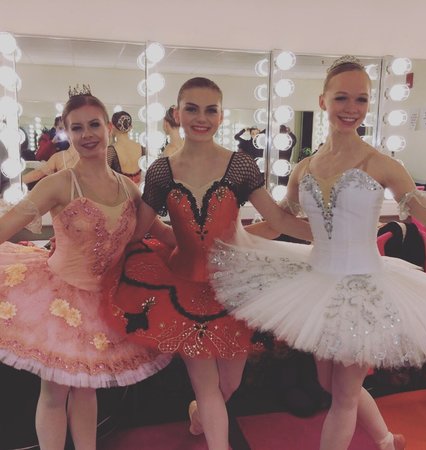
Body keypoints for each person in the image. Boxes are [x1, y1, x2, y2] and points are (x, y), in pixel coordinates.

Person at [209, 56, 426, 450]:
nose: (351, 108)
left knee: (343, 396)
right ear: (323, 101)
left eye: (361, 99)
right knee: (330, 384)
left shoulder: (383, 165)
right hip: (317, 281)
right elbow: (278, 221)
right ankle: (387, 440)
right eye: (341, 98)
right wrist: (226, 240)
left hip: (365, 287)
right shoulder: (304, 168)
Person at [103, 77, 313, 450]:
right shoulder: (161, 171)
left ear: (221, 116)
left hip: (233, 286)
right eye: (192, 109)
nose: (201, 118)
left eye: (210, 110)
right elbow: (139, 229)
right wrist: (94, 242)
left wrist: (331, 237)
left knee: (227, 385)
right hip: (183, 289)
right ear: (177, 113)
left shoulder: (241, 166)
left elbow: (278, 220)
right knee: (207, 385)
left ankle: (199, 414)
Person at [0, 88, 171, 450]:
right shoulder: (59, 183)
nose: (87, 134)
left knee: (87, 389)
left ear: (109, 127)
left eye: (94, 125)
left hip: (105, 300)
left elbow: (162, 233)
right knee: (54, 393)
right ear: (67, 132)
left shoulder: (128, 188)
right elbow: (9, 223)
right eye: (77, 128)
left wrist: (214, 240)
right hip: (58, 298)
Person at [107, 110, 145, 184]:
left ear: (113, 126)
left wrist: (110, 139)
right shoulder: (141, 147)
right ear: (130, 127)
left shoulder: (111, 150)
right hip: (138, 190)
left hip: (121, 190)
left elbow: (103, 175)